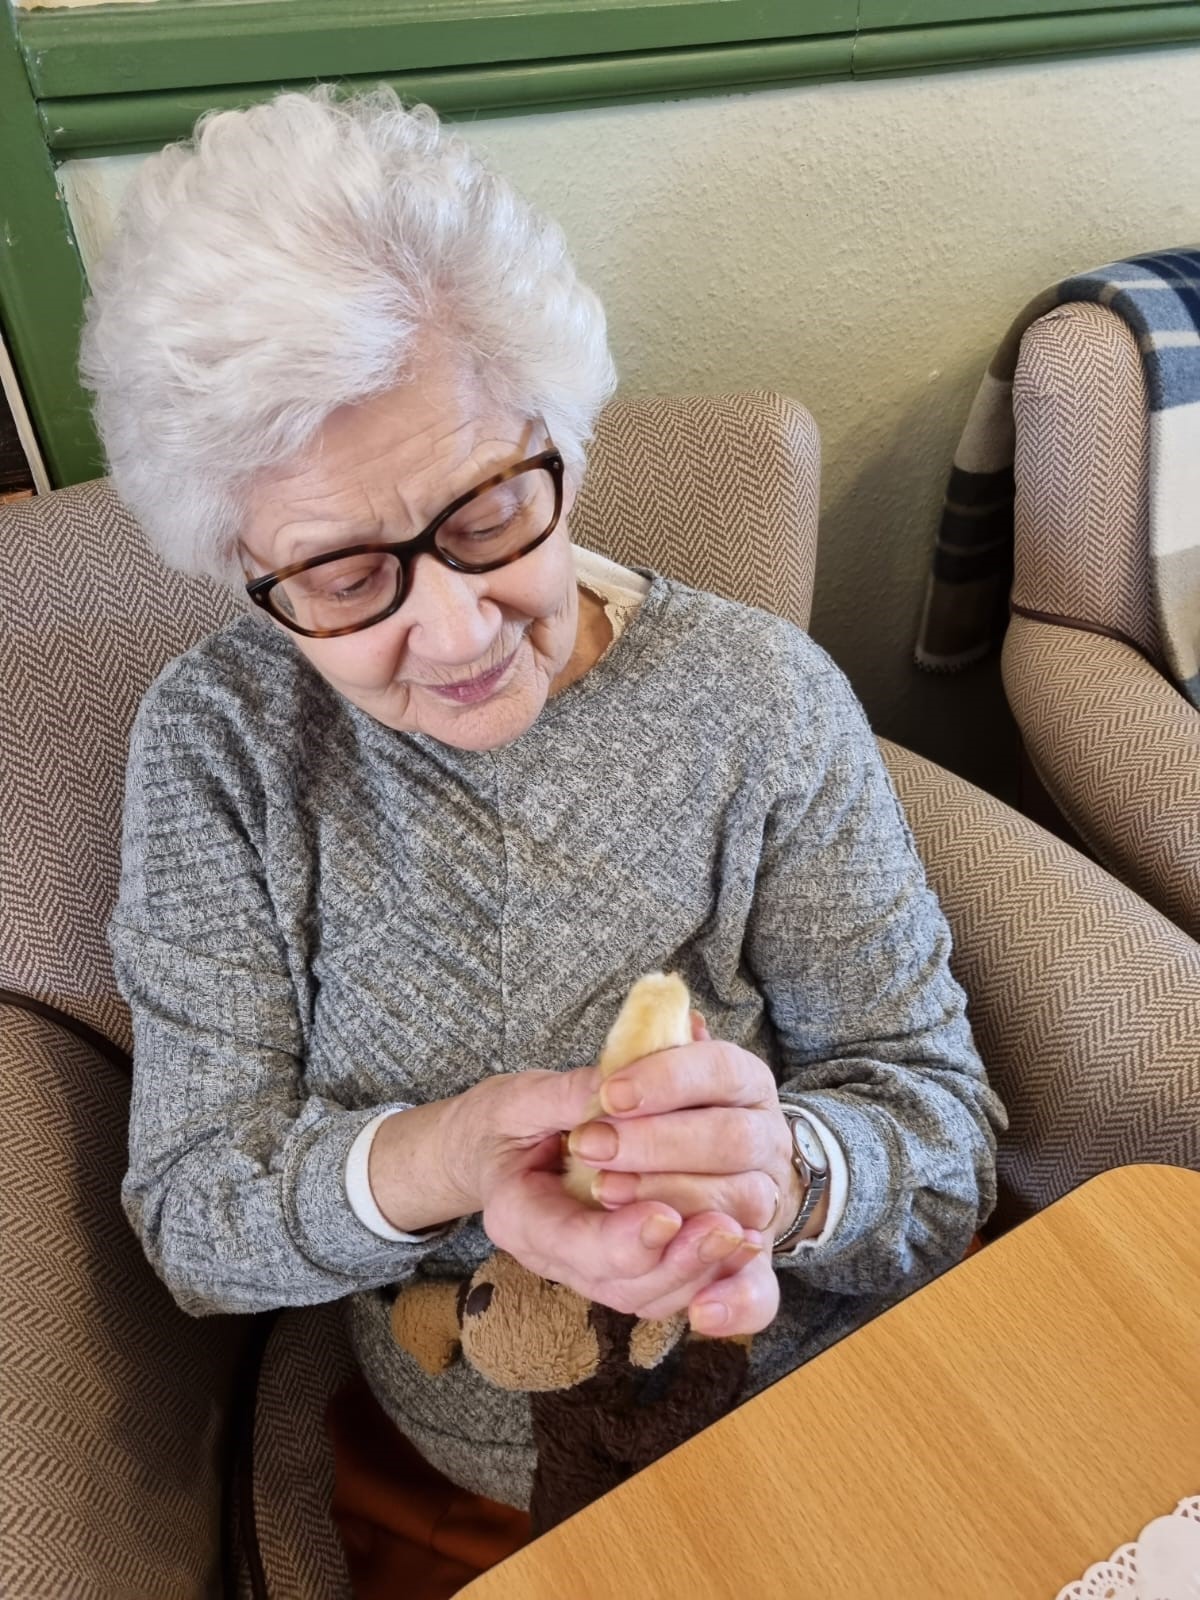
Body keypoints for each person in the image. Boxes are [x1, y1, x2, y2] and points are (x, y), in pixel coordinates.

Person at [83, 85, 1007, 1513]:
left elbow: (940, 1143)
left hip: (825, 1398)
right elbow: (198, 1225)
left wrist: (792, 1175)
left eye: (491, 511)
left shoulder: (758, 696)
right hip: (479, 1476)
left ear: (563, 440)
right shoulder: (223, 747)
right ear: (246, 577)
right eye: (342, 576)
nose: (455, 635)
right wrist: (450, 1157)